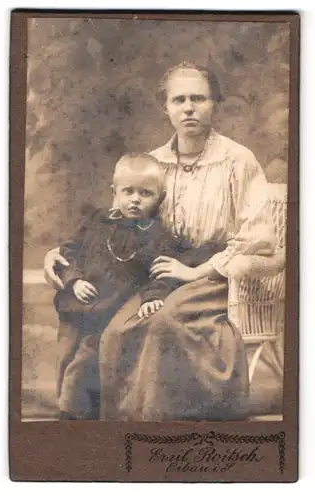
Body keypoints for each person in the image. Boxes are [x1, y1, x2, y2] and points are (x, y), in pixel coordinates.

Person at [44, 61, 276, 421]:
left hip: (213, 274)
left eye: (198, 98)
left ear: (214, 103)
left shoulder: (237, 161)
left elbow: (261, 244)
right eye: (179, 99)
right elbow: (111, 223)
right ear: (165, 107)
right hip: (158, 272)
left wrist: (195, 272)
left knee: (161, 322)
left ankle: (165, 421)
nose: (189, 108)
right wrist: (57, 254)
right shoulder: (153, 162)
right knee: (117, 328)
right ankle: (122, 426)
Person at [54, 152, 220, 419]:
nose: (135, 199)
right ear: (115, 192)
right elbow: (69, 253)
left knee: (86, 363)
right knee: (67, 356)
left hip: (113, 310)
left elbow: (162, 270)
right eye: (128, 191)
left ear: (160, 198)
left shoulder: (156, 236)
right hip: (80, 303)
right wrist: (74, 281)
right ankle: (77, 411)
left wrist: (153, 296)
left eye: (145, 193)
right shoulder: (96, 223)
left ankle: (72, 418)